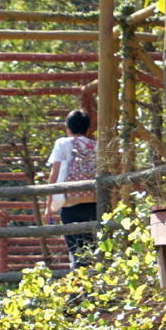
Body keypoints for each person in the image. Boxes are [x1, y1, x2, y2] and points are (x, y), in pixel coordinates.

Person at [44, 109, 98, 267]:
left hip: (70, 204)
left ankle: (80, 281)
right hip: (94, 203)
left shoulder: (62, 143)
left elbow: (54, 175)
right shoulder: (95, 146)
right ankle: (92, 280)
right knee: (92, 250)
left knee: (76, 251)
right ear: (88, 129)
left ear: (68, 128)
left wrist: (49, 206)